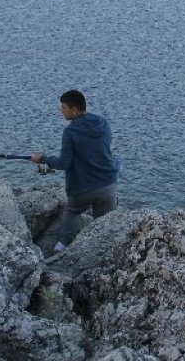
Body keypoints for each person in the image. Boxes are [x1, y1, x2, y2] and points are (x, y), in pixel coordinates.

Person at [31, 89, 120, 252]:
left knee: (72, 211)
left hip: (82, 188)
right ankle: (106, 253)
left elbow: (64, 163)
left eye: (63, 108)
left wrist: (43, 159)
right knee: (106, 228)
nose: (61, 111)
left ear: (74, 110)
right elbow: (103, 151)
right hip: (108, 185)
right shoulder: (103, 123)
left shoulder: (70, 131)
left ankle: (61, 247)